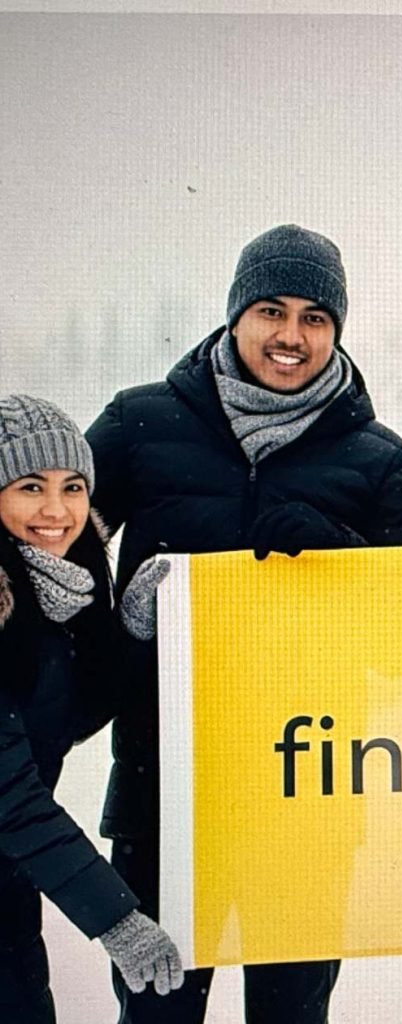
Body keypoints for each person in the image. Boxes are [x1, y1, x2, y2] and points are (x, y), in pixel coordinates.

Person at [86, 224, 402, 1023]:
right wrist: (128, 617)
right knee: (157, 1009)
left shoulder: (378, 459)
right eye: (271, 311)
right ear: (235, 314)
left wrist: (341, 553)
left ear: (337, 330)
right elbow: (54, 555)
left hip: (307, 790)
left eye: (315, 317)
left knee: (290, 1012)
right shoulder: (141, 424)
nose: (290, 336)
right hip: (164, 784)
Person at [0, 393, 183, 1023]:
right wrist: (117, 920)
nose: (57, 510)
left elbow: (64, 718)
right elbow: (11, 797)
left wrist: (128, 633)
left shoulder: (47, 586)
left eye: (72, 486)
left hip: (10, 891)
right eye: (30, 486)